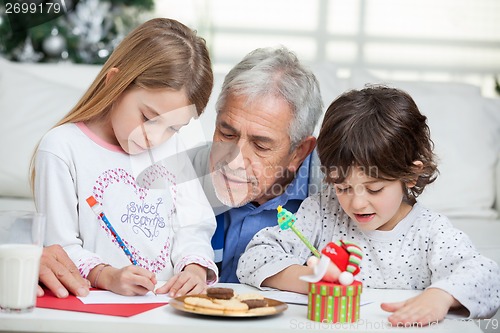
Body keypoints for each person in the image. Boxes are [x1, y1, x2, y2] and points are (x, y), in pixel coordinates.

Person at [237, 86, 500, 325]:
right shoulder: (323, 211)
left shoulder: (430, 232)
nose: (357, 202)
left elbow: (486, 277)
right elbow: (255, 256)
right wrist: (313, 280)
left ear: (410, 175)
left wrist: (440, 297)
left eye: (374, 189)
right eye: (342, 187)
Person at [31, 18, 218, 297]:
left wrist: (193, 268)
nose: (155, 138)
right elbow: (59, 249)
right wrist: (107, 276)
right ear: (115, 82)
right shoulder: (61, 148)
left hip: (165, 308)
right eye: (148, 118)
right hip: (95, 308)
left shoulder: (173, 149)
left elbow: (193, 226)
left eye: (172, 128)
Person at [190, 46, 324, 283]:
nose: (234, 161)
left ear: (299, 152)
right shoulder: (186, 174)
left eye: (260, 146)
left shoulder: (338, 194)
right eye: (227, 134)